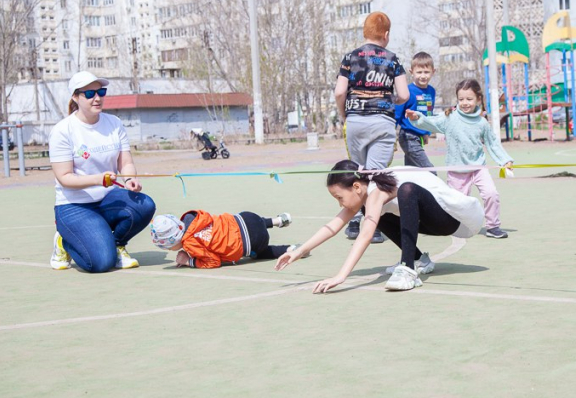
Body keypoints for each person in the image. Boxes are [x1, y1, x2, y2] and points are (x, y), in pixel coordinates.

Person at [274, 160, 485, 293]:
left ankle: (408, 270)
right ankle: (418, 260)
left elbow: (365, 235)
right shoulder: (366, 193)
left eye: (339, 197)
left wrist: (341, 276)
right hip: (432, 220)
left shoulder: (377, 191)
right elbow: (333, 226)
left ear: (356, 187)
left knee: (407, 190)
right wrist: (299, 251)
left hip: (453, 219)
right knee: (372, 211)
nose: (340, 203)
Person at [49, 71, 156, 272]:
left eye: (101, 92)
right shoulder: (63, 130)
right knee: (100, 263)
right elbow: (65, 178)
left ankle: (117, 245)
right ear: (75, 97)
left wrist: (130, 179)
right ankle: (65, 241)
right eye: (89, 94)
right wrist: (98, 179)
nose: (97, 98)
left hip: (108, 198)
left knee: (145, 205)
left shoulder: (114, 123)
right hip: (74, 205)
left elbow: (126, 163)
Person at [335, 11, 409, 242]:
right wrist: (390, 101)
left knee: (358, 171)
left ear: (364, 32)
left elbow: (339, 92)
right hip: (382, 121)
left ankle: (356, 220)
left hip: (355, 120)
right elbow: (404, 94)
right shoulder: (393, 59)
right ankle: (373, 225)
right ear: (386, 35)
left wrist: (344, 115)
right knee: (377, 174)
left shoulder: (349, 58)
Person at [406, 78, 513, 239]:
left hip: (478, 168)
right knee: (455, 203)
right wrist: (417, 118)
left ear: (478, 99)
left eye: (469, 99)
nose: (465, 103)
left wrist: (505, 160)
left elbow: (493, 144)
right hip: (456, 170)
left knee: (491, 194)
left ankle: (493, 226)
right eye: (461, 99)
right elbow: (430, 122)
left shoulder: (482, 123)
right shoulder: (450, 118)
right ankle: (453, 226)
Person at [150, 211, 295, 268]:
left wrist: (188, 261)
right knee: (247, 223)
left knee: (258, 253)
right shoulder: (193, 218)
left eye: (168, 247)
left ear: (173, 241)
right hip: (247, 218)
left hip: (254, 242)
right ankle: (278, 220)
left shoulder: (190, 245)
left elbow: (213, 262)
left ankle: (289, 249)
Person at [395, 51, 437, 171]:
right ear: (411, 72)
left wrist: (426, 133)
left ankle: (408, 189)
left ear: (433, 72)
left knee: (412, 172)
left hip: (419, 136)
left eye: (426, 72)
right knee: (429, 170)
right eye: (419, 72)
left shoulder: (432, 91)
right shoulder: (407, 91)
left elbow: (429, 114)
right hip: (408, 136)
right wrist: (391, 133)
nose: (423, 76)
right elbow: (397, 113)